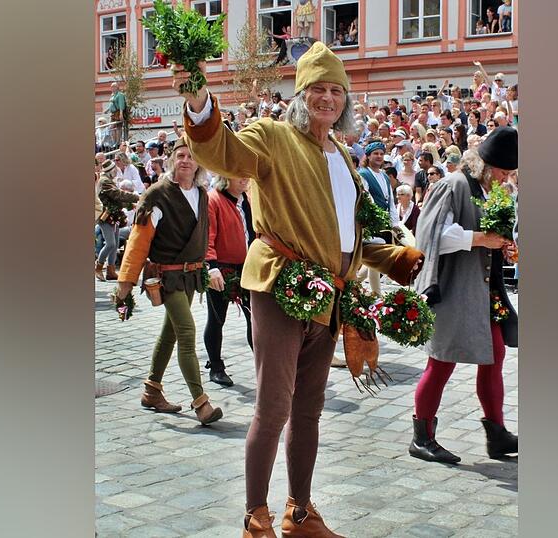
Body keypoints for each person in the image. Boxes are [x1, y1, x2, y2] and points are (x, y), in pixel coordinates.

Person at [175, 43, 423, 537]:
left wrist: (392, 257)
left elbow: (346, 234)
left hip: (328, 295)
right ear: (301, 94)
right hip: (279, 285)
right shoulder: (273, 136)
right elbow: (222, 152)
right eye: (318, 89)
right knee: (273, 408)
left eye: (336, 91)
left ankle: (300, 513)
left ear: (345, 100)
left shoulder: (345, 157)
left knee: (309, 411)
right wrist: (198, 99)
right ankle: (256, 517)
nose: (328, 98)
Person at [411, 126, 519, 464]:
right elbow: (432, 236)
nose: (505, 179)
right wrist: (481, 239)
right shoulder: (454, 185)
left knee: (495, 354)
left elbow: (492, 235)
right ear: (486, 165)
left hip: (484, 290)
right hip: (453, 288)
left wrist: (504, 246)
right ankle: (422, 436)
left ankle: (497, 433)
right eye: (503, 172)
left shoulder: (490, 192)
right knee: (442, 360)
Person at [114, 138, 225, 426]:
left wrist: (209, 266)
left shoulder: (202, 194)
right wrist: (125, 282)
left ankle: (152, 390)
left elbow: (204, 236)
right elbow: (138, 241)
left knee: (170, 332)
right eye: (180, 155)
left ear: (198, 163)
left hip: (190, 276)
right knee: (187, 332)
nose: (185, 160)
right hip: (167, 276)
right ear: (172, 160)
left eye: (191, 156)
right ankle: (201, 402)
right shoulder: (157, 194)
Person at [204, 175, 255, 387]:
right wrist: (211, 267)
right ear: (225, 176)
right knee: (217, 319)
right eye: (238, 174)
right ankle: (216, 366)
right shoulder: (213, 199)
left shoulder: (247, 199)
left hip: (249, 268)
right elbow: (207, 237)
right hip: (221, 269)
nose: (244, 178)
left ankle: (265, 366)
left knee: (255, 319)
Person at [356, 141, 400, 295]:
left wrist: (394, 222)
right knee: (375, 254)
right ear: (368, 156)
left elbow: (391, 201)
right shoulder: (363, 174)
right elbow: (367, 198)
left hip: (383, 221)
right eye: (375, 153)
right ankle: (376, 293)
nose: (379, 156)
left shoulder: (385, 176)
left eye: (381, 154)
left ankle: (355, 282)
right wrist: (376, 217)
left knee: (374, 258)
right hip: (371, 221)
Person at [95, 159, 140, 281]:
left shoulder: (108, 180)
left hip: (114, 216)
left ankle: (111, 271)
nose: (116, 171)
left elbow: (116, 201)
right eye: (115, 169)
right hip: (105, 217)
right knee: (111, 244)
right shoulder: (105, 181)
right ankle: (98, 267)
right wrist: (136, 198)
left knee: (114, 245)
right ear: (111, 170)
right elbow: (118, 195)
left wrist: (130, 205)